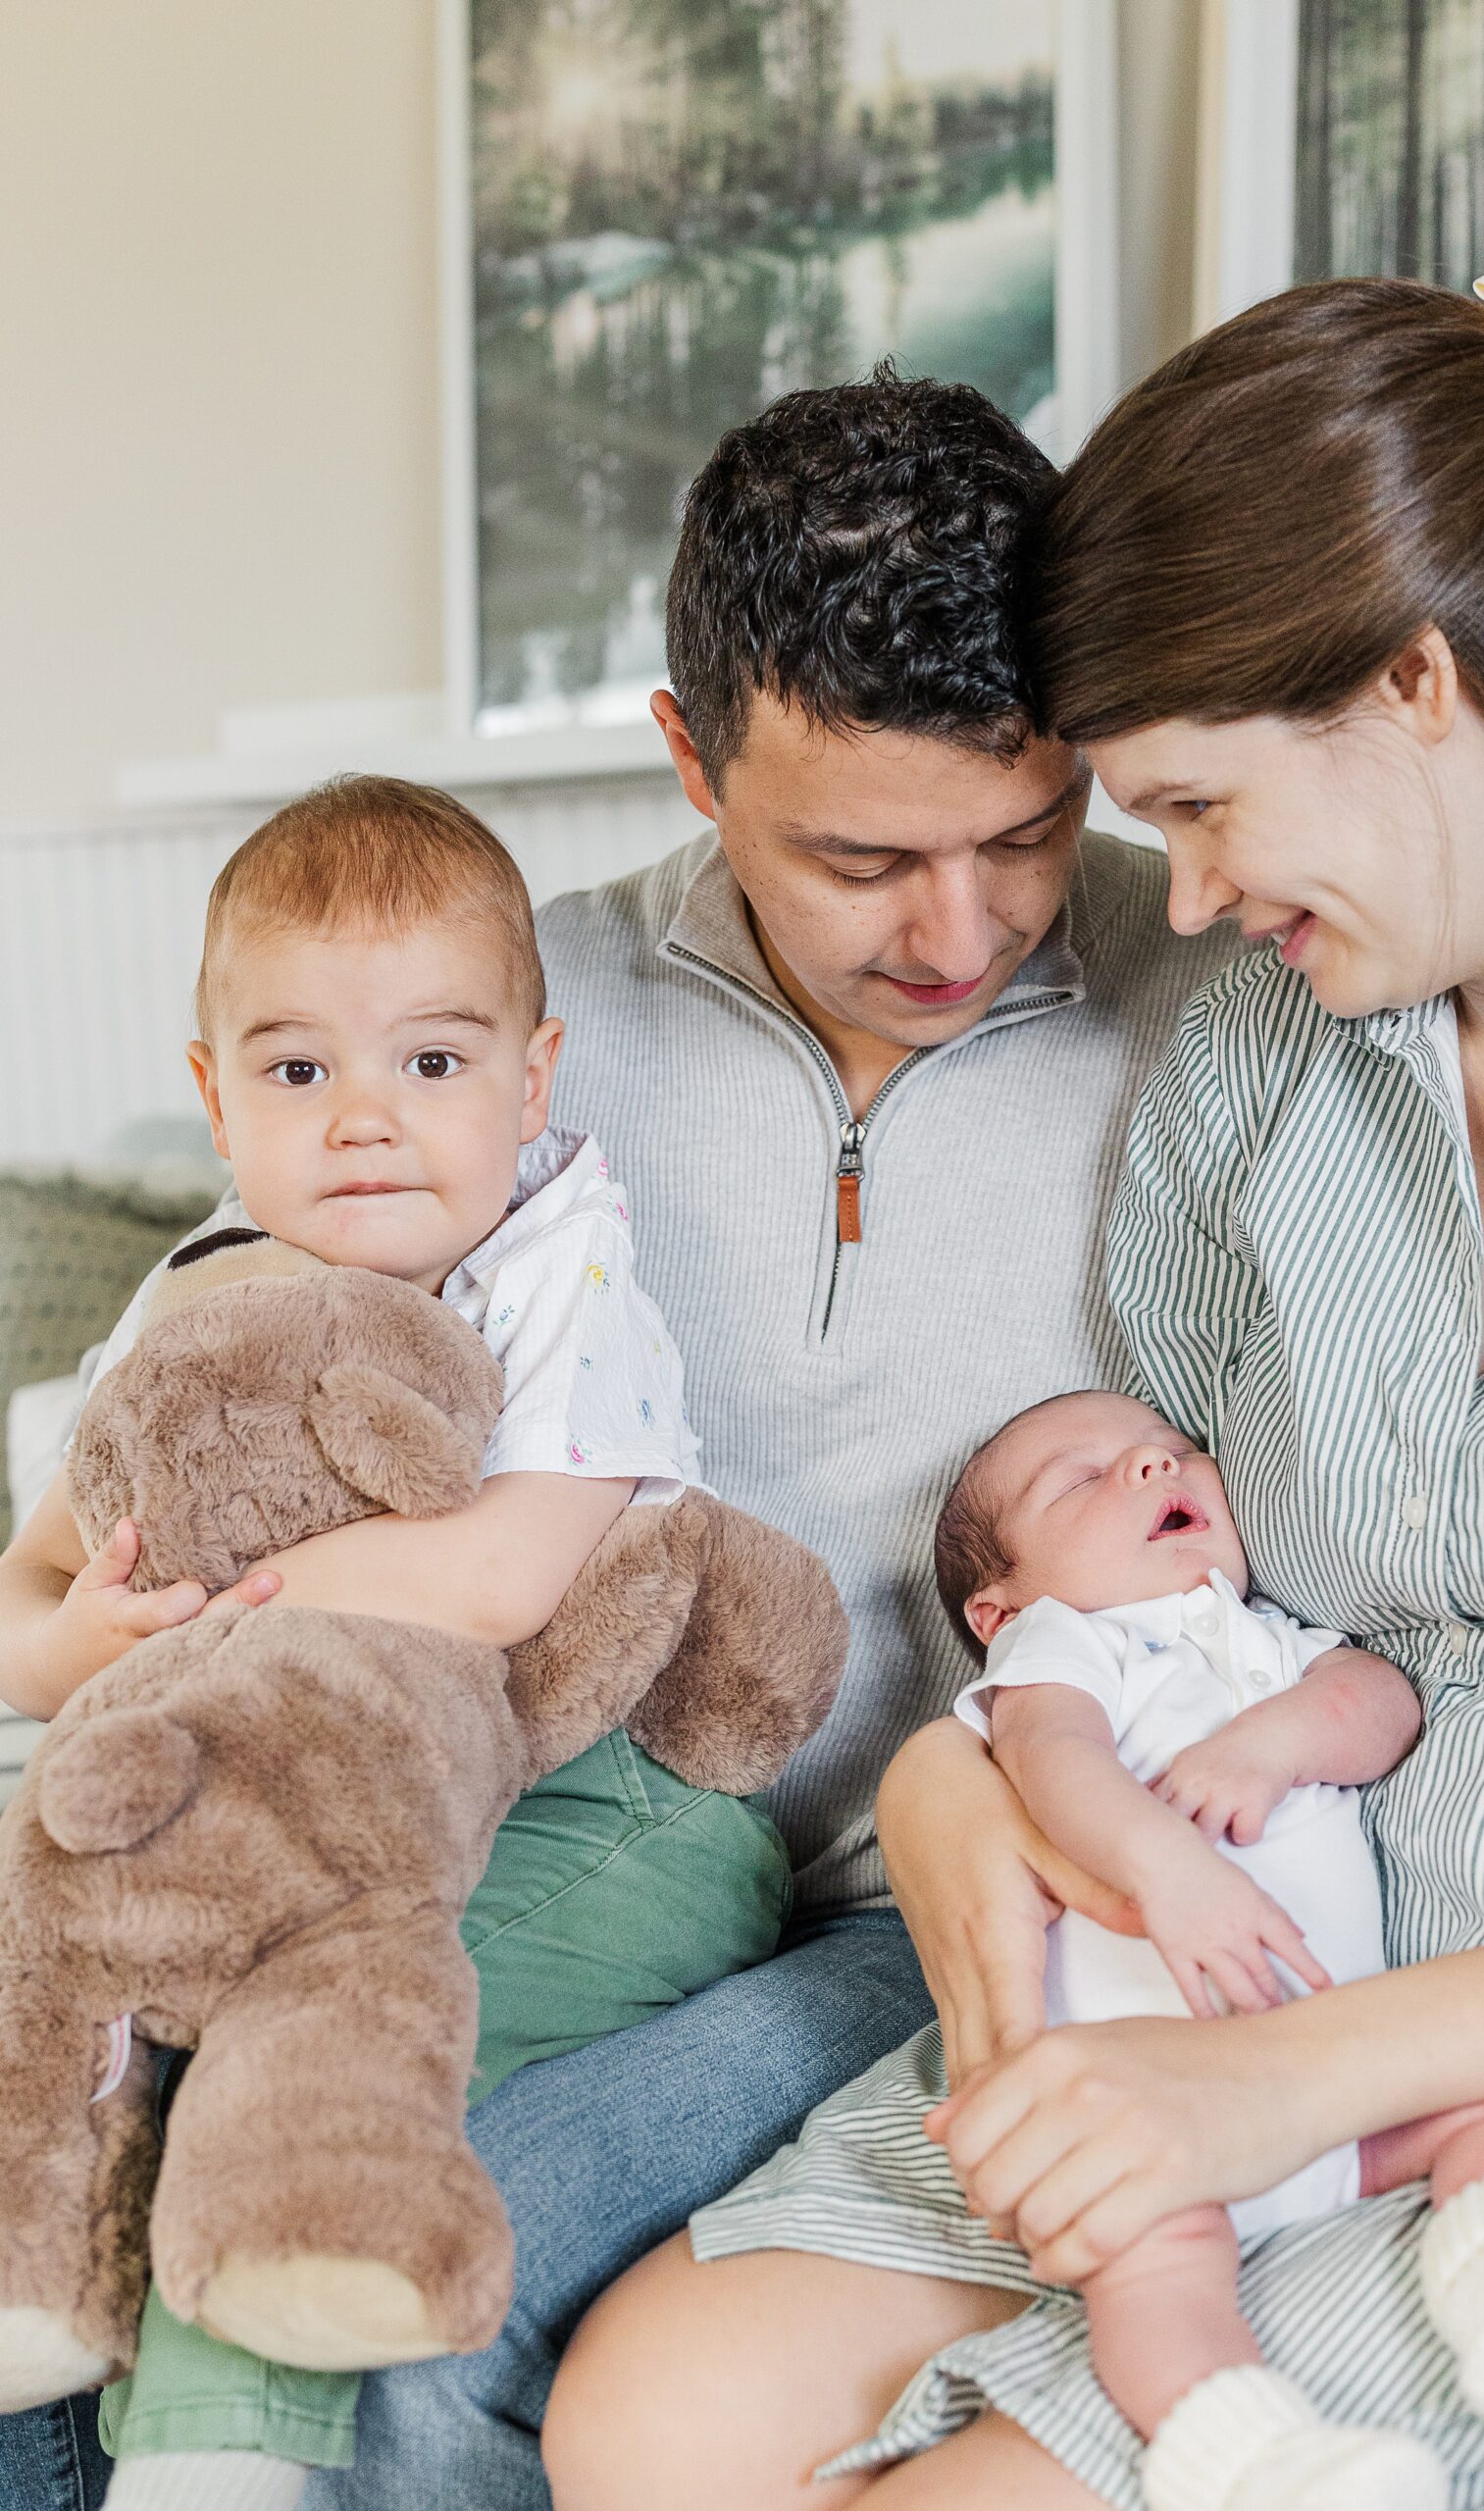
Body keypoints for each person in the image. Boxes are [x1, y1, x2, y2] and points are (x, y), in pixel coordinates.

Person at [0, 369, 1234, 2509]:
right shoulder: (484, 1018)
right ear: (686, 753)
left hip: (928, 1889)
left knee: (409, 2268)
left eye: (1024, 831)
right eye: (860, 856)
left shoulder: (1210, 993)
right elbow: (189, 1394)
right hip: (473, 1809)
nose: (955, 929)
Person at [542, 267, 1484, 2508]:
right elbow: (1114, 1535)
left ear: (1416, 684)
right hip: (1195, 1945)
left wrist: (1291, 2079)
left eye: (1187, 807)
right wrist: (975, 1791)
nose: (1182, 892)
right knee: (643, 2425)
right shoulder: (1266, 1037)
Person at [0, 776, 793, 2511]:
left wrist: (191, 1636)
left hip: (608, 1808)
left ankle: (216, 2471)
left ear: (531, 1073)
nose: (366, 1119)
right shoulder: (199, 1295)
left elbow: (503, 1578)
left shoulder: (561, 1259)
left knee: (294, 2068)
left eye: (431, 1063)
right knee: (67, 2001)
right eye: (299, 1072)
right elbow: (28, 1593)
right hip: (290, 1807)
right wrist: (81, 1653)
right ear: (216, 1101)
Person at [926, 1387, 1484, 2511]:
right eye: (1081, 1479)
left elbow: (1383, 1705)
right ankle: (1244, 2453)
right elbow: (1052, 1760)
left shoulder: (1269, 1635)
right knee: (1152, 2264)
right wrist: (1163, 1865)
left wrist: (1271, 1742)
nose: (1149, 1469)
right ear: (997, 1608)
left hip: (1346, 2085)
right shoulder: (1064, 1640)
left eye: (1172, 1452)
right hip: (1148, 2108)